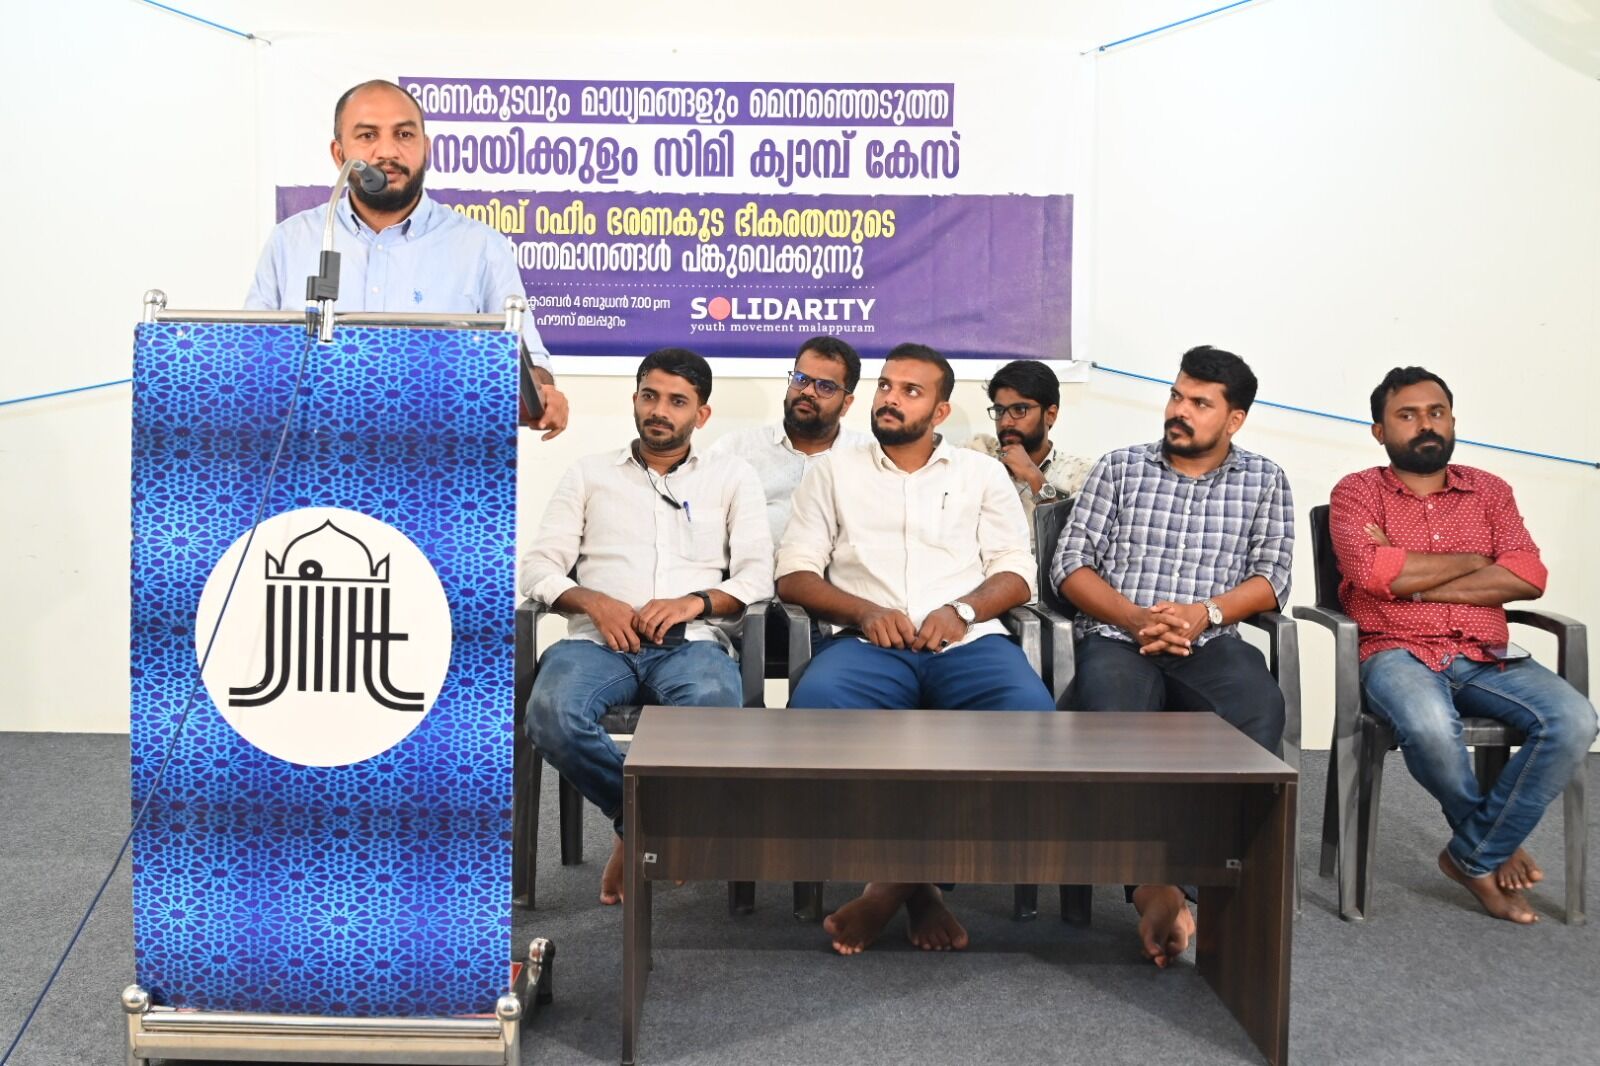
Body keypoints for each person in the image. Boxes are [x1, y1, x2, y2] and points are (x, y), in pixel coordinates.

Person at [777, 342, 1055, 957]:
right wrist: (864, 611)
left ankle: (894, 884)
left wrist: (963, 611)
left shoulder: (981, 474)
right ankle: (919, 884)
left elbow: (1017, 572)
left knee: (1031, 725)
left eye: (910, 391)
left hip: (968, 644)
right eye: (885, 386)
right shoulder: (832, 472)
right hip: (867, 645)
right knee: (812, 718)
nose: (891, 399)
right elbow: (794, 574)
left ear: (941, 410)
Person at [1050, 344, 1293, 967]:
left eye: (1199, 403)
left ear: (1234, 419)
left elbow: (1271, 578)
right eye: (1176, 396)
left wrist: (1203, 613)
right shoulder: (1121, 467)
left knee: (1257, 709)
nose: (1179, 411)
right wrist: (1134, 619)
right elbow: (1070, 565)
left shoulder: (1265, 479)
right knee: (1112, 717)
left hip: (1208, 641)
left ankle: (1208, 879)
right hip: (1118, 638)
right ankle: (1150, 885)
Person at [1329, 366, 1596, 924]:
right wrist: (1478, 562)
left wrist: (1412, 580)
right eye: (1407, 415)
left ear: (1452, 421)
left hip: (1486, 656)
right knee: (1429, 725)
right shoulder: (1357, 492)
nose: (1426, 424)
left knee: (1574, 719)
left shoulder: (1490, 491)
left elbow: (1528, 576)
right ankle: (1493, 848)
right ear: (1379, 431)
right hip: (1395, 650)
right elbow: (1371, 572)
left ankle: (1474, 853)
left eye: (1436, 413)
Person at [520, 348, 773, 905]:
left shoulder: (732, 477)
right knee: (551, 713)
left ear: (701, 414)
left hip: (690, 645)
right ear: (634, 399)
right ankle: (641, 823)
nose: (660, 410)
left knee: (713, 711)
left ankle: (633, 831)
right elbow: (537, 567)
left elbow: (757, 575)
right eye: (650, 396)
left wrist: (694, 602)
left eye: (677, 401)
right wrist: (593, 601)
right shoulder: (588, 473)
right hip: (597, 644)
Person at [245, 79, 568, 437]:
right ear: (339, 154)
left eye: (404, 135)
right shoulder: (291, 242)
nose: (387, 151)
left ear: (425, 148)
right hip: (314, 462)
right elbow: (251, 364)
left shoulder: (481, 247)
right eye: (367, 135)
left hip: (441, 461)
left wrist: (540, 395)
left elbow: (531, 367)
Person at [708, 336, 870, 544]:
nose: (807, 391)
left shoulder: (868, 458)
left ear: (846, 403)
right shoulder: (735, 450)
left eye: (825, 387)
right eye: (801, 379)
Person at [966, 359, 1093, 541]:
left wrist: (1033, 476)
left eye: (1019, 410)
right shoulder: (979, 453)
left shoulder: (1082, 474)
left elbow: (1072, 545)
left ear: (1050, 415)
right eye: (1000, 411)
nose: (1005, 422)